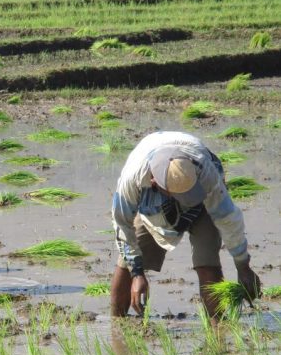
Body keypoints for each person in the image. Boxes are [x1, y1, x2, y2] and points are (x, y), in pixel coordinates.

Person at [110, 131, 261, 320]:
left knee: (208, 264)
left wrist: (243, 265)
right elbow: (122, 224)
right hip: (152, 205)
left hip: (202, 202)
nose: (184, 201)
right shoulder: (133, 178)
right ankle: (116, 324)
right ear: (155, 182)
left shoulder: (206, 172)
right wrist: (137, 272)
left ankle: (217, 327)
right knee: (126, 266)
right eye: (178, 196)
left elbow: (227, 217)